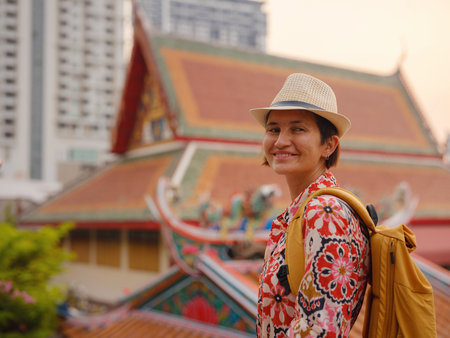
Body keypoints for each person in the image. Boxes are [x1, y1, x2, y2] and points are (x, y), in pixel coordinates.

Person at [249, 73, 370, 337]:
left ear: (329, 145)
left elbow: (320, 329)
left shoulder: (325, 212)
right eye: (273, 129)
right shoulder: (298, 213)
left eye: (298, 129)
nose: (280, 141)